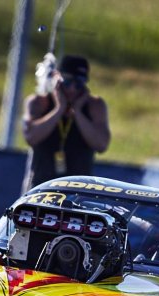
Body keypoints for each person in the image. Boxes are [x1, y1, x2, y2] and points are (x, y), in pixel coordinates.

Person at [21, 54, 110, 193]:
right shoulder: (39, 103)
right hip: (41, 188)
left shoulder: (94, 106)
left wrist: (78, 112)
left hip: (78, 191)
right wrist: (59, 109)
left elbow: (101, 145)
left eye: (79, 84)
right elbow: (31, 137)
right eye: (67, 82)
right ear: (57, 78)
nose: (73, 89)